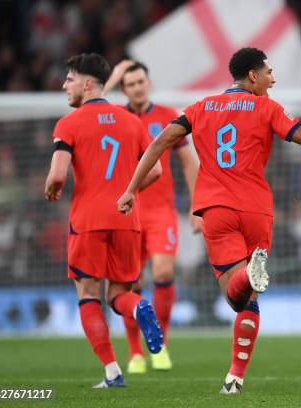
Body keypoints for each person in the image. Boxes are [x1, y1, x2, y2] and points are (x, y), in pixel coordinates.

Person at [117, 47, 301, 394]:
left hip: (216, 209)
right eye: (269, 73)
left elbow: (160, 142)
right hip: (257, 210)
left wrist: (131, 189)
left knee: (236, 296)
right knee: (249, 301)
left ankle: (246, 283)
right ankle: (234, 377)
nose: (273, 79)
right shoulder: (267, 107)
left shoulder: (200, 108)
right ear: (252, 76)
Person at [44, 53, 164, 388]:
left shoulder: (69, 123)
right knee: (119, 295)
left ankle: (112, 371)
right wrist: (127, 191)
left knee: (88, 293)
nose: (65, 86)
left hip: (88, 219)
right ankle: (139, 307)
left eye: (69, 79)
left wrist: (51, 188)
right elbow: (155, 170)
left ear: (86, 83)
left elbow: (57, 174)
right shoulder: (131, 121)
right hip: (128, 218)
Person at [104, 60, 202, 374]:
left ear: (148, 82)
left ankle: (160, 345)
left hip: (161, 212)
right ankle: (134, 352)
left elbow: (189, 163)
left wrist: (196, 203)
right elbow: (85, 111)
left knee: (162, 272)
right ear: (124, 89)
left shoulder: (168, 116)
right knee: (133, 282)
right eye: (130, 84)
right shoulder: (115, 117)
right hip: (127, 212)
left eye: (141, 81)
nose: (137, 87)